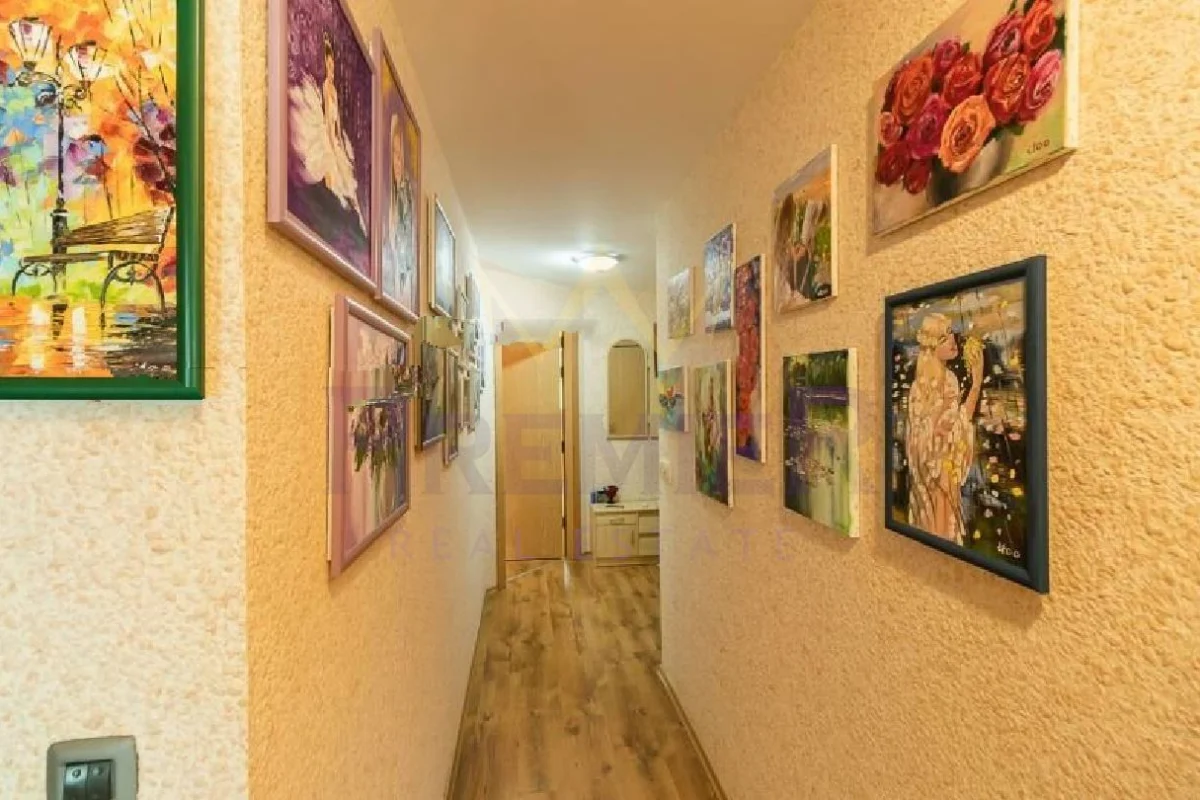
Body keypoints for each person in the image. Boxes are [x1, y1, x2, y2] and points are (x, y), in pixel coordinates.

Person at [904, 313, 984, 544]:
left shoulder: (945, 379)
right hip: (937, 480)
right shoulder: (933, 385)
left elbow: (955, 425)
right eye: (943, 338)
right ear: (931, 347)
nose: (952, 341)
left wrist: (975, 384)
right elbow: (947, 431)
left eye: (950, 333)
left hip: (939, 477)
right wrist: (976, 384)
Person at [289, 33, 367, 235]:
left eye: (332, 66)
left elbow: (337, 121)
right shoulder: (325, 87)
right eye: (328, 65)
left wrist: (339, 142)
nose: (331, 70)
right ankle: (341, 207)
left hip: (335, 137)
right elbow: (328, 120)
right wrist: (332, 145)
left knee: (346, 178)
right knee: (337, 177)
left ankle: (355, 216)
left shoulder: (333, 90)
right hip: (329, 136)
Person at [384, 114, 415, 303]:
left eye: (400, 157)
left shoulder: (405, 195)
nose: (397, 163)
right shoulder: (389, 194)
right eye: (394, 154)